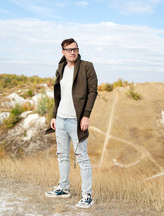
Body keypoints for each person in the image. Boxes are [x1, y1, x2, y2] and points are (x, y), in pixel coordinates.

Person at [45, 38, 98, 209]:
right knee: (61, 155)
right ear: (63, 52)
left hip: (77, 121)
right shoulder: (61, 68)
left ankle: (87, 195)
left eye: (75, 49)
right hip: (60, 119)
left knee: (82, 158)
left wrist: (86, 116)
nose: (73, 52)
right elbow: (58, 94)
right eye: (69, 50)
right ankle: (63, 188)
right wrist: (54, 116)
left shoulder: (86, 66)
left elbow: (92, 91)